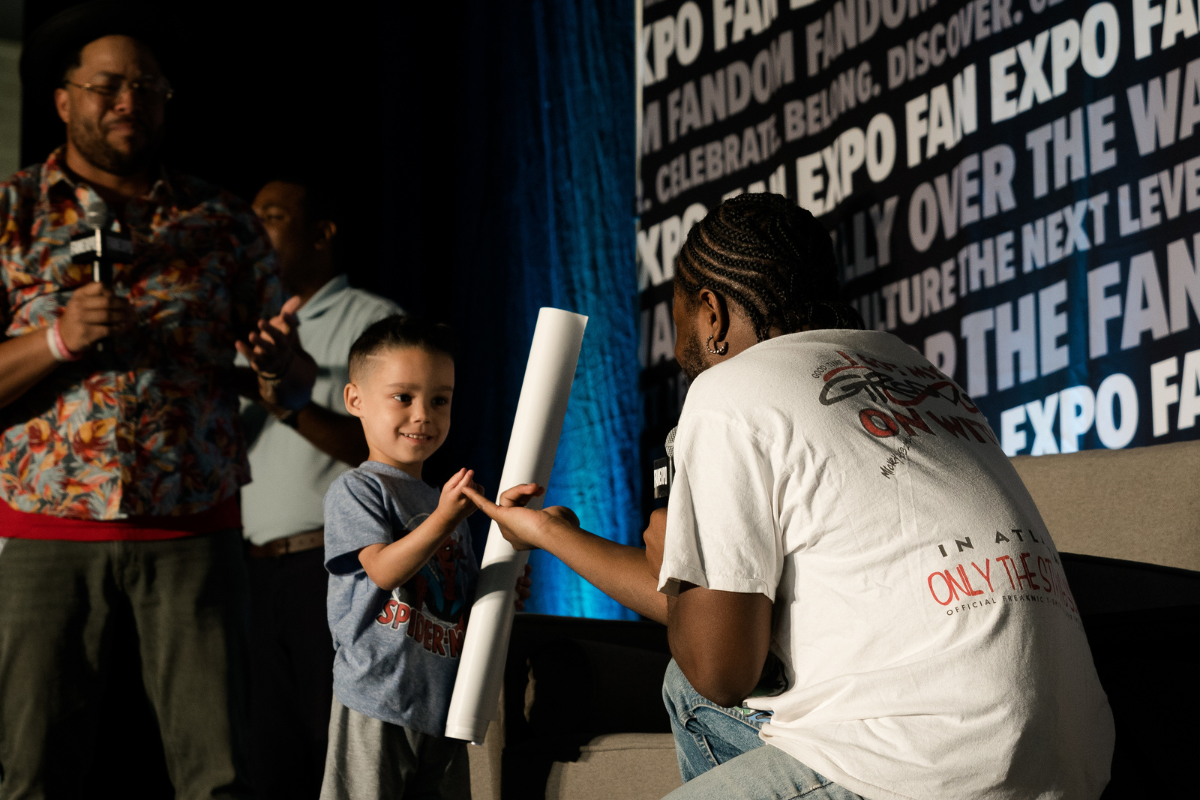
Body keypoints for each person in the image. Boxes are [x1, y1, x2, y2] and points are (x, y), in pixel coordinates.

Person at [464, 193, 1115, 799]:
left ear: (711, 312)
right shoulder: (917, 372)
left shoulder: (728, 393)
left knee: (700, 682)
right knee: (685, 692)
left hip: (936, 765)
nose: (683, 351)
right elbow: (716, 654)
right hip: (1072, 759)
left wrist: (677, 575)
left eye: (681, 324)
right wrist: (552, 534)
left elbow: (722, 667)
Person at [0, 4, 314, 796]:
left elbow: (287, 382)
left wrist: (282, 371)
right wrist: (57, 341)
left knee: (219, 774)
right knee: (33, 771)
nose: (128, 102)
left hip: (193, 529)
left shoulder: (222, 223)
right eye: (106, 86)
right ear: (64, 99)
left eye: (146, 86)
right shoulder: (13, 213)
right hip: (47, 527)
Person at [320, 316, 532, 800]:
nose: (423, 415)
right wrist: (443, 519)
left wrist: (501, 585)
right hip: (377, 697)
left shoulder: (443, 503)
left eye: (439, 400)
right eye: (403, 397)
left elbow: (450, 601)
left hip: (441, 704)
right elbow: (383, 569)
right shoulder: (358, 489)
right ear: (356, 400)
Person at [240, 175, 401, 799]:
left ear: (322, 234)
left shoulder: (374, 321)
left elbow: (387, 446)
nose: (256, 229)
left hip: (332, 569)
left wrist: (289, 403)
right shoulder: (251, 329)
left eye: (273, 215)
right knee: (265, 761)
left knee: (335, 755)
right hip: (253, 574)